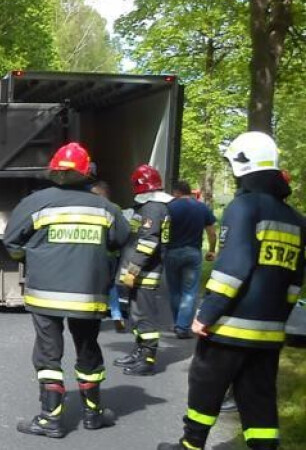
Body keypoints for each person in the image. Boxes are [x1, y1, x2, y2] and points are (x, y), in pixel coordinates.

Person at [159, 131, 304, 450]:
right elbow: (295, 281)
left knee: (205, 386)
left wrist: (206, 313)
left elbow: (234, 266)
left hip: (229, 327)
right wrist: (278, 318)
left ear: (242, 165)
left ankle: (191, 445)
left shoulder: (244, 207)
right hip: (269, 331)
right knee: (259, 396)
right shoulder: (296, 219)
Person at [3, 143, 129, 438]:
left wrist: (34, 256)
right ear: (87, 173)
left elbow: (11, 243)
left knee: (48, 353)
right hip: (88, 295)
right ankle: (93, 414)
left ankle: (51, 419)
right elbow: (119, 240)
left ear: (54, 171)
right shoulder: (106, 208)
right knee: (88, 349)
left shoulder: (35, 202)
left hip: (44, 294)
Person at [114, 164, 172, 376]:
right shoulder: (149, 206)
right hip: (140, 271)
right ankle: (139, 351)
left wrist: (133, 269)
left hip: (144, 273)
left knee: (145, 317)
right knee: (136, 316)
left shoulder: (153, 208)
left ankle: (147, 359)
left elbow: (148, 242)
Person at [165, 181, 218, 339]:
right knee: (189, 292)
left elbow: (163, 230)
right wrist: (211, 250)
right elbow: (211, 232)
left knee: (174, 291)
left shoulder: (170, 207)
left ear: (176, 192)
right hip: (193, 253)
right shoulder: (201, 207)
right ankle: (182, 327)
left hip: (172, 252)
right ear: (189, 192)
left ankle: (178, 324)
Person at [91, 180, 127, 332]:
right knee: (111, 284)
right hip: (113, 254)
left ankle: (96, 313)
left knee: (94, 283)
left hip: (96, 253)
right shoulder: (116, 208)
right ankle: (117, 314)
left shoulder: (94, 209)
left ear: (100, 194)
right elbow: (123, 232)